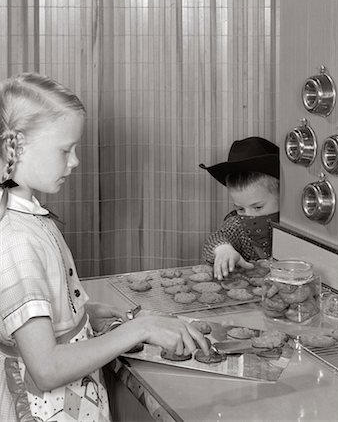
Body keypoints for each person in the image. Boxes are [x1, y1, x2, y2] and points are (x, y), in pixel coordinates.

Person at [0, 72, 209, 422]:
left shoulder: (29, 218)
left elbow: (32, 318)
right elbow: (46, 368)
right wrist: (138, 329)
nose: (75, 161)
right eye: (65, 149)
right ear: (16, 147)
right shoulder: (17, 241)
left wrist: (78, 316)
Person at [199, 136, 280, 281]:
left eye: (258, 207)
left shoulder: (294, 226)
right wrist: (223, 249)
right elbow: (214, 239)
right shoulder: (237, 224)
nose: (248, 216)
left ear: (283, 197)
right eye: (240, 209)